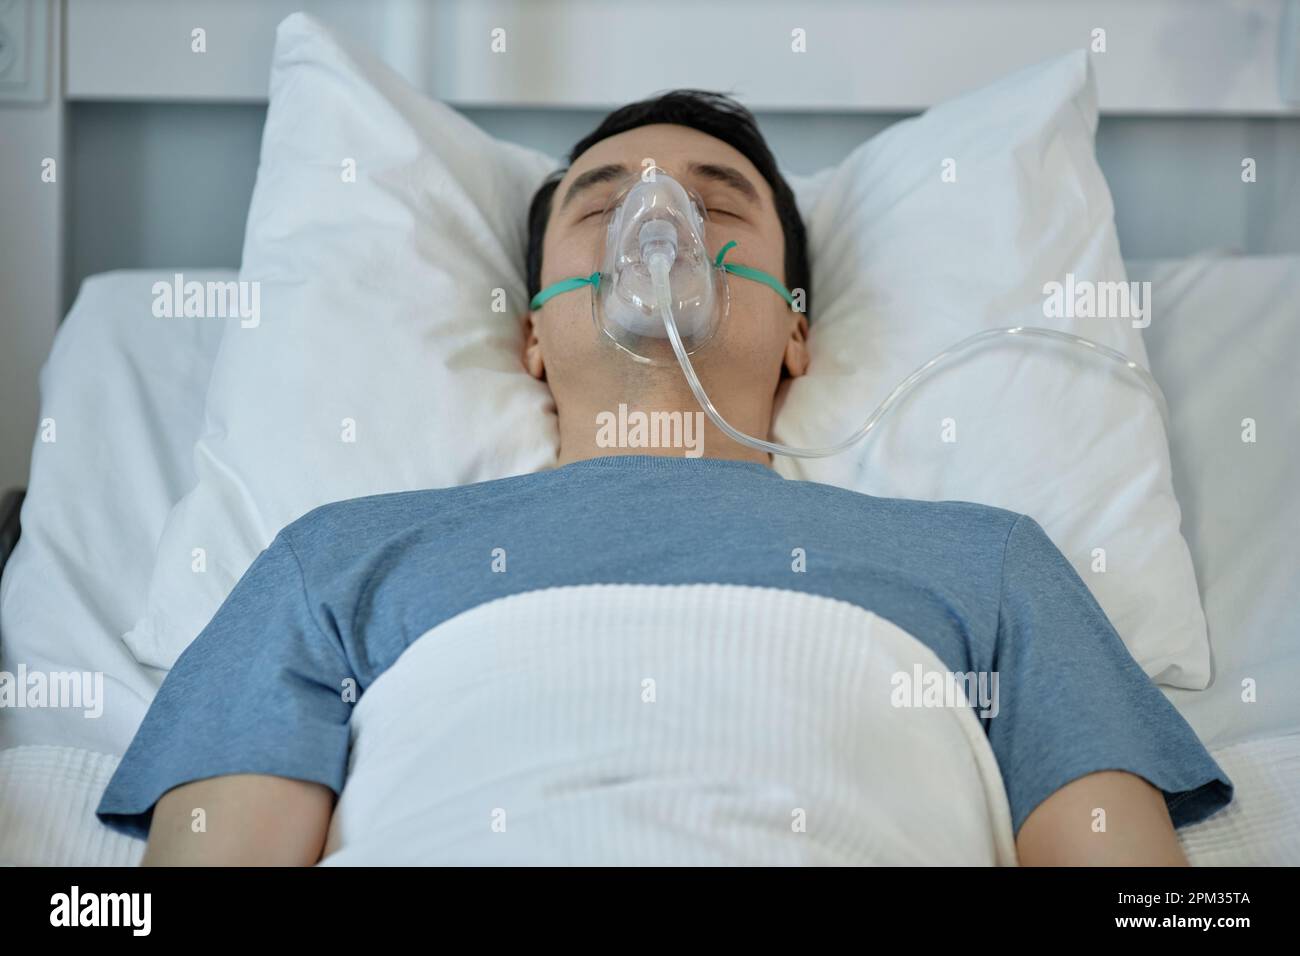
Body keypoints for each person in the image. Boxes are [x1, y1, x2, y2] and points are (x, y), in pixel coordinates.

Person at [96, 90, 1232, 866]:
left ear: (795, 333)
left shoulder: (986, 561)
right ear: (532, 338)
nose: (661, 222)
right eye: (601, 205)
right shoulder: (335, 557)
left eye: (719, 201)